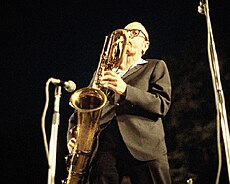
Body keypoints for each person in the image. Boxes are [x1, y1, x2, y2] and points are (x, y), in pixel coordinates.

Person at [67, 21, 172, 184]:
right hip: (104, 147)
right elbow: (81, 110)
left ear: (145, 45)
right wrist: (73, 137)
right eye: (126, 32)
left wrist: (125, 90)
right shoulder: (101, 73)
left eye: (135, 33)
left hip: (145, 146)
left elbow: (161, 104)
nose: (128, 35)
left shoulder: (155, 66)